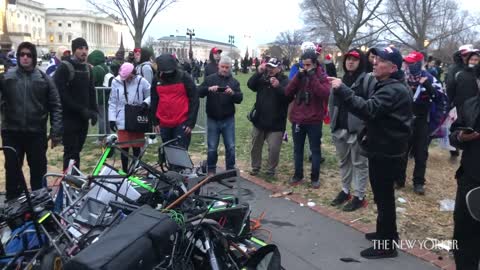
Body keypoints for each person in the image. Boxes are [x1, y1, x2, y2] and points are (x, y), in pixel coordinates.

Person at [329, 46, 413, 259]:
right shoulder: (388, 84)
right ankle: (387, 234)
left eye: (381, 60)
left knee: (384, 197)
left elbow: (368, 109)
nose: (374, 62)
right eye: (375, 58)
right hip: (384, 148)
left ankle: (386, 246)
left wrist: (343, 90)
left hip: (386, 151)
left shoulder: (392, 89)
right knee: (382, 196)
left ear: (393, 67)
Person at [0, 42, 63, 200]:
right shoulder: (7, 77)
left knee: (38, 171)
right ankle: (13, 206)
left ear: (34, 57)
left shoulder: (44, 79)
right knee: (12, 172)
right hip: (11, 132)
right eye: (22, 54)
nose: (25, 58)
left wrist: (56, 133)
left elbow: (55, 106)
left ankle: (39, 203)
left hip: (36, 133)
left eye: (28, 55)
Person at [329, 48, 375, 211]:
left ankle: (359, 196)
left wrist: (366, 129)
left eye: (354, 59)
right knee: (344, 162)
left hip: (358, 131)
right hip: (340, 129)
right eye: (348, 59)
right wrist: (332, 123)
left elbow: (371, 106)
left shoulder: (368, 80)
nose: (350, 61)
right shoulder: (340, 79)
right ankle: (345, 191)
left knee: (359, 164)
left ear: (361, 62)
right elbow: (332, 103)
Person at [397, 51, 443, 195]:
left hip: (423, 120)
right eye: (407, 63)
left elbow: (439, 98)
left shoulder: (430, 78)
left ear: (419, 63)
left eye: (412, 63)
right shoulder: (402, 78)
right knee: (402, 151)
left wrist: (427, 85)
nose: (409, 66)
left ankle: (418, 182)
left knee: (421, 153)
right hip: (405, 119)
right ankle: (399, 179)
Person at [285, 50, 330, 189]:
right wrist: (298, 77)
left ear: (315, 64)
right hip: (298, 118)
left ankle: (315, 178)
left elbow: (324, 93)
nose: (306, 68)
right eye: (304, 65)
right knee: (297, 150)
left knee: (315, 150)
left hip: (314, 119)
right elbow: (287, 92)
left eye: (309, 65)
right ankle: (298, 175)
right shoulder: (300, 75)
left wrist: (313, 77)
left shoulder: (322, 75)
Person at [449, 81, 480, 269]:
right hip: (469, 178)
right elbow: (455, 132)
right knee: (463, 234)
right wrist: (461, 136)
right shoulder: (470, 104)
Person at [54, 37, 97, 170]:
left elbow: (91, 90)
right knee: (71, 152)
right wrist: (80, 109)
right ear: (74, 51)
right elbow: (62, 95)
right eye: (80, 48)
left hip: (83, 119)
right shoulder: (64, 68)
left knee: (77, 151)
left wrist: (94, 111)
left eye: (86, 48)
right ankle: (68, 182)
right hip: (69, 119)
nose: (84, 51)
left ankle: (74, 179)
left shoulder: (88, 69)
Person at [198, 56, 243, 174]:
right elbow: (199, 92)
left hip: (228, 119)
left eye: (227, 67)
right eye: (222, 67)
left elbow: (240, 98)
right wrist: (208, 89)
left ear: (230, 68)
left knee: (231, 146)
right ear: (219, 66)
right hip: (213, 118)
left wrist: (232, 93)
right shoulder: (210, 79)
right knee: (212, 147)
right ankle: (211, 170)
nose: (224, 69)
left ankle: (230, 169)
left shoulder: (234, 82)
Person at [247, 58, 290, 177]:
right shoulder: (262, 78)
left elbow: (288, 96)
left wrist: (278, 87)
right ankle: (255, 167)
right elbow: (250, 85)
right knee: (255, 145)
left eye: (273, 67)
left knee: (274, 148)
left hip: (276, 123)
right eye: (269, 67)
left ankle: (271, 169)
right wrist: (258, 72)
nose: (270, 69)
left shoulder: (285, 80)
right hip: (259, 120)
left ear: (279, 68)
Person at [151, 54, 199, 149]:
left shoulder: (184, 77)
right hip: (164, 123)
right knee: (168, 153)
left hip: (182, 122)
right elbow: (154, 100)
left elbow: (194, 99)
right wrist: (155, 122)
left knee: (180, 153)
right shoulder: (156, 79)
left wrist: (190, 123)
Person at [108, 63, 150, 172]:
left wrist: (145, 103)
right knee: (124, 148)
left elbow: (151, 94)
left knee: (136, 147)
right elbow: (112, 101)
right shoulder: (115, 82)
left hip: (136, 117)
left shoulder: (141, 81)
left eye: (129, 77)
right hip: (122, 118)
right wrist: (112, 119)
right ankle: (125, 171)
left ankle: (135, 170)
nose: (127, 79)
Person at [446, 44, 474, 158]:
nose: (466, 57)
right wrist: (450, 102)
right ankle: (454, 148)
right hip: (458, 102)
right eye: (464, 55)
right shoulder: (454, 68)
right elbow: (450, 86)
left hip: (473, 102)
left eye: (469, 54)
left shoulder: (474, 67)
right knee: (456, 125)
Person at [88, 50, 110, 139]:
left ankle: (101, 137)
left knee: (101, 118)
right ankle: (107, 135)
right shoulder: (105, 67)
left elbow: (91, 82)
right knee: (106, 118)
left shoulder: (96, 69)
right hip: (106, 95)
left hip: (99, 97)